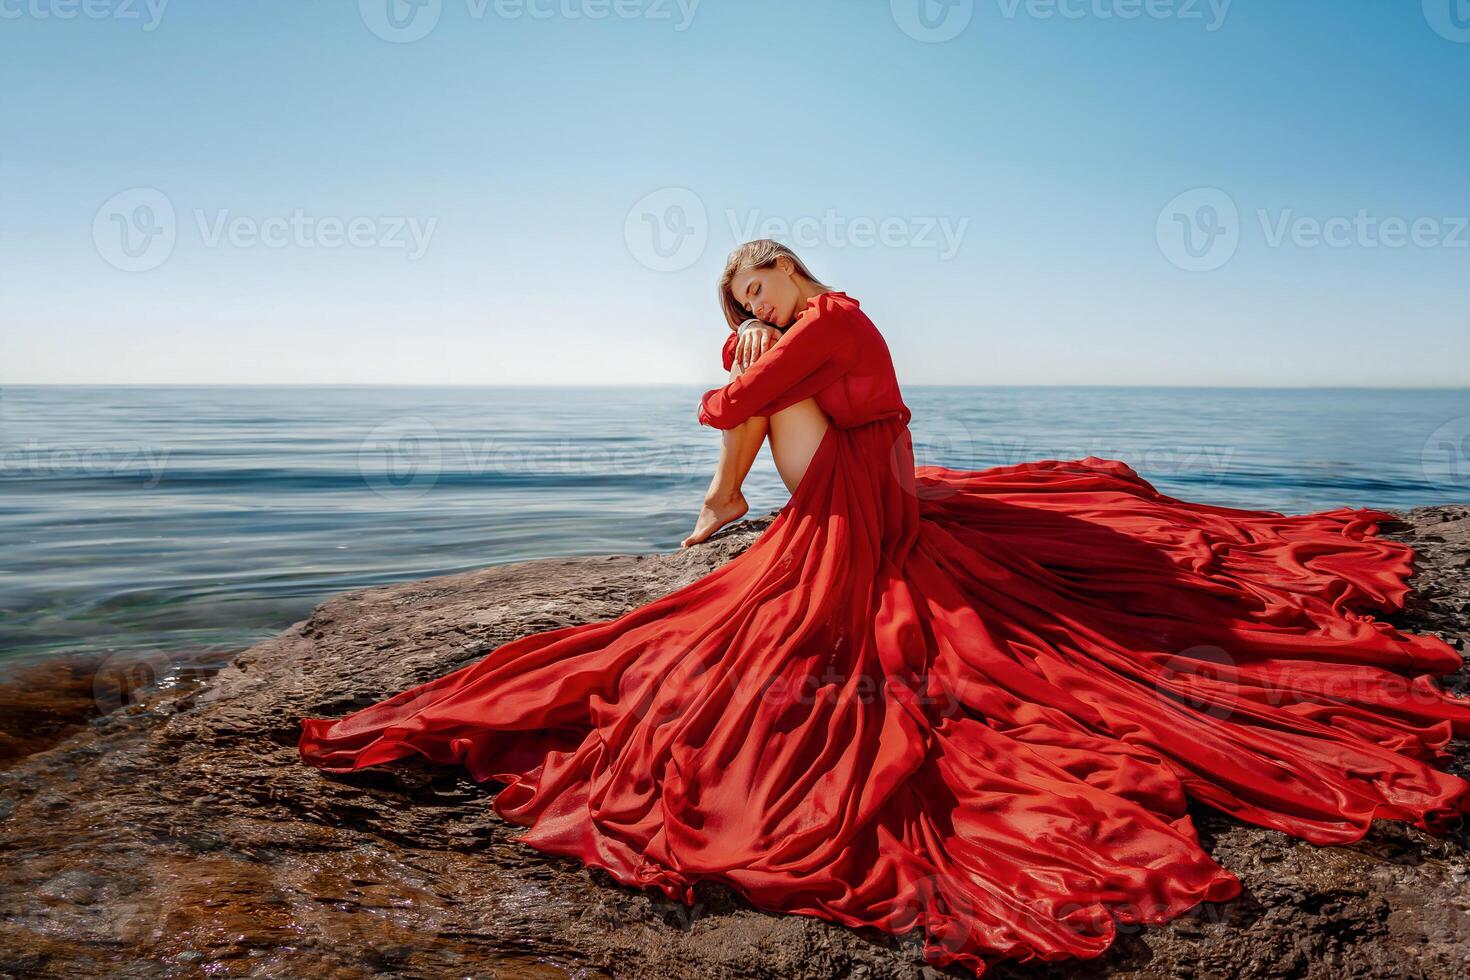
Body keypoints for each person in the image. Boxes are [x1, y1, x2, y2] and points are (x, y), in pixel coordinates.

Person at [299, 239, 1470, 978]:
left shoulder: (833, 319)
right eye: (735, 289)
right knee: (762, 402)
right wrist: (750, 350)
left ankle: (715, 507)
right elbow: (746, 378)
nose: (747, 294)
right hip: (876, 469)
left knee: (753, 443)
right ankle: (719, 505)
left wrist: (746, 363)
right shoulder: (819, 323)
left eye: (756, 277)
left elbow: (730, 399)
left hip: (864, 487)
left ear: (793, 266)